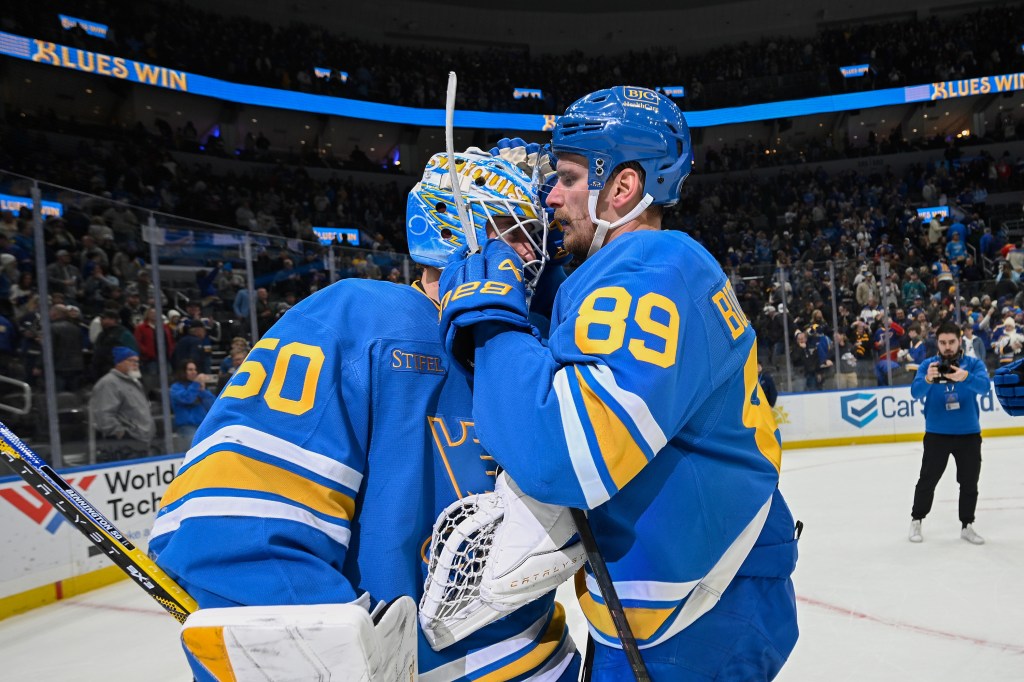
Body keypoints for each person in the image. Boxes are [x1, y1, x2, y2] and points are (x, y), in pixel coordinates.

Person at [149, 151, 579, 681]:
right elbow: (234, 530)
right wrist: (326, 661)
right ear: (457, 229)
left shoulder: (518, 348)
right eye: (517, 233)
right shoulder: (359, 319)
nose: (534, 255)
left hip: (545, 659)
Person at [437, 86, 798, 680]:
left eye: (569, 177)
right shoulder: (636, 271)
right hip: (691, 589)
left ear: (623, 187)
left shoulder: (655, 267)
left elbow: (564, 454)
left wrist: (495, 322)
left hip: (702, 602)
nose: (551, 195)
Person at [908, 321, 990, 545]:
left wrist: (965, 377)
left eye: (951, 342)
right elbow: (915, 393)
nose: (947, 347)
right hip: (937, 434)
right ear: (937, 344)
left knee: (969, 481)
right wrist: (927, 379)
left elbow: (985, 387)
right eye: (943, 343)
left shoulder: (972, 365)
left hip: (969, 434)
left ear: (959, 341)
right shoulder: (928, 365)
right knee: (927, 480)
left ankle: (967, 525)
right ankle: (917, 520)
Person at [89, 346, 154, 460]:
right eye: (131, 361)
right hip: (123, 446)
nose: (136, 364)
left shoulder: (135, 382)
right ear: (119, 362)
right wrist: (121, 434)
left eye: (137, 361)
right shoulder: (109, 383)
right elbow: (104, 415)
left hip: (141, 441)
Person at [169, 360, 216, 451]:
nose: (194, 372)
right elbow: (187, 399)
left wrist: (203, 391)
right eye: (190, 370)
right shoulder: (176, 388)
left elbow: (212, 405)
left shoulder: (197, 386)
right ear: (183, 372)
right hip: (187, 428)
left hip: (203, 426)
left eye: (195, 369)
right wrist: (196, 384)